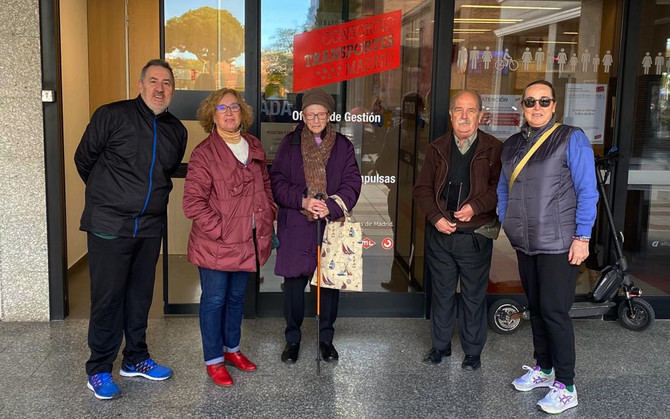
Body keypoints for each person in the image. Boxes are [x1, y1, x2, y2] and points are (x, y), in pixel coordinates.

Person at [74, 59, 187, 400]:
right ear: (140, 85)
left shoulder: (176, 130)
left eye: (166, 83)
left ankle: (135, 358)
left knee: (140, 297)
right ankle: (98, 369)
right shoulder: (112, 115)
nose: (159, 88)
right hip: (109, 225)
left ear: (173, 89)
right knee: (108, 299)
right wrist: (109, 197)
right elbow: (84, 160)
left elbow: (165, 171)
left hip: (150, 227)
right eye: (153, 81)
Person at [497, 80, 598, 414]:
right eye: (530, 102)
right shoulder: (512, 145)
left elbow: (588, 190)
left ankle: (567, 387)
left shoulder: (571, 138)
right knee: (537, 308)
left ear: (554, 105)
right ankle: (544, 368)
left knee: (554, 311)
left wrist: (582, 237)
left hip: (559, 243)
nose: (536, 107)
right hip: (526, 242)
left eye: (544, 101)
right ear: (521, 106)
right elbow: (503, 188)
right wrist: (506, 218)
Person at [183, 88, 276, 386]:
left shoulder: (254, 145)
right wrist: (222, 230)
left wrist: (268, 213)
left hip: (248, 240)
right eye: (222, 108)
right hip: (216, 244)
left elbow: (266, 186)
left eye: (234, 107)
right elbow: (193, 203)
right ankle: (214, 360)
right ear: (212, 115)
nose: (229, 113)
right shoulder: (204, 154)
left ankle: (232, 349)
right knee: (214, 300)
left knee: (236, 299)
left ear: (242, 112)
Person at [270, 88, 362, 364]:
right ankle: (293, 339)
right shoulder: (291, 143)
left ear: (329, 115)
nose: (315, 119)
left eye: (321, 114)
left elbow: (352, 183)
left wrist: (330, 206)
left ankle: (326, 340)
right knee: (295, 286)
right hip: (297, 224)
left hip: (330, 225)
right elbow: (277, 182)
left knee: (328, 286)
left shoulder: (343, 146)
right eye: (310, 114)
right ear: (303, 115)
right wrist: (303, 201)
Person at [413, 89, 502, 370]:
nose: (464, 116)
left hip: (475, 236)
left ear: (480, 115)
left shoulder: (494, 148)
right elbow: (422, 189)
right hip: (442, 234)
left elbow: (499, 190)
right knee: (441, 293)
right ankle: (440, 346)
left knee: (474, 296)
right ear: (450, 115)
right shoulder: (437, 148)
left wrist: (475, 207)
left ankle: (473, 352)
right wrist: (436, 217)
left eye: (471, 110)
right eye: (459, 110)